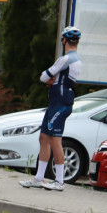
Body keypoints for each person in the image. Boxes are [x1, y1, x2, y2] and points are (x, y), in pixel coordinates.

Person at [20, 26, 83, 191]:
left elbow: (43, 77)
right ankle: (39, 178)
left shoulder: (65, 59)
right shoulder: (76, 59)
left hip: (60, 103)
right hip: (57, 103)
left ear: (64, 40)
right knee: (43, 138)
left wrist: (49, 78)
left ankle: (60, 181)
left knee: (55, 140)